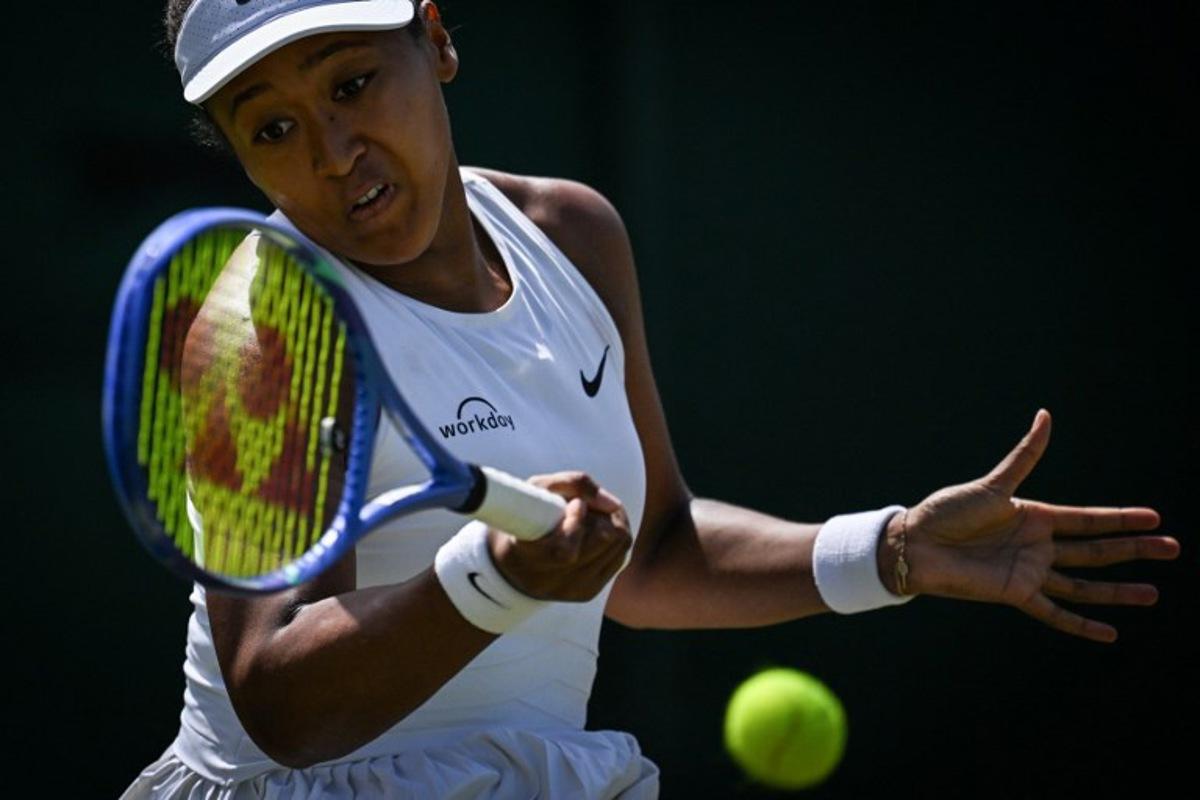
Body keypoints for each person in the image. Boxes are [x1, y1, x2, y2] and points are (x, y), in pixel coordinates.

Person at [124, 1, 1181, 797]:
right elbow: (277, 701)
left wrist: (890, 550)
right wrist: (491, 581)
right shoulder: (262, 318)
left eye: (351, 84)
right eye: (272, 131)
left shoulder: (572, 233)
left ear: (436, 39)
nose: (333, 152)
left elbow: (657, 548)